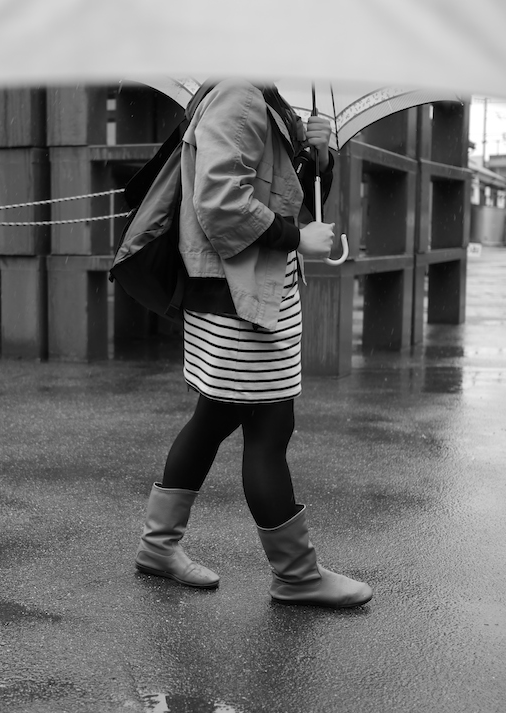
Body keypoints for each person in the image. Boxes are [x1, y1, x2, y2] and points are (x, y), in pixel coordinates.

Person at [134, 79, 373, 608]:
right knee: (268, 427)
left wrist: (319, 156)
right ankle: (296, 574)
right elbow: (220, 202)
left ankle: (159, 546)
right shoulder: (240, 94)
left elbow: (280, 190)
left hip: (245, 291)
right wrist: (296, 238)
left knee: (213, 418)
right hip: (242, 298)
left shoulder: (259, 95)